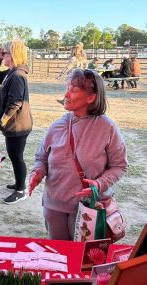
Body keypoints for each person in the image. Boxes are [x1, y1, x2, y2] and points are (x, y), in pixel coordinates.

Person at [28, 69, 128, 240]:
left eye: (73, 90)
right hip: (54, 207)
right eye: (67, 87)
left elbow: (119, 166)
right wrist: (37, 173)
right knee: (60, 257)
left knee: (84, 262)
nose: (66, 94)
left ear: (91, 97)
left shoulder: (107, 127)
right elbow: (41, 158)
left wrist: (99, 183)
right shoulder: (57, 125)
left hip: (89, 208)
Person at [0, 39, 33, 205]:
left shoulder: (17, 75)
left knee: (16, 157)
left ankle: (20, 190)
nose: (3, 55)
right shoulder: (11, 72)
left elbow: (15, 102)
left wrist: (4, 119)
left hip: (18, 125)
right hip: (14, 125)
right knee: (15, 156)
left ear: (13, 54)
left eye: (5, 53)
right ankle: (19, 183)